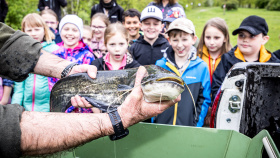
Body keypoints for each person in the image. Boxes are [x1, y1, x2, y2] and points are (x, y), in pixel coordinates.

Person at [0, 22, 180, 157]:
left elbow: (6, 42)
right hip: (98, 128)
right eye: (112, 44)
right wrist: (103, 112)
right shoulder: (97, 63)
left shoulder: (136, 66)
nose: (117, 49)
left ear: (128, 44)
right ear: (105, 45)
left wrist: (64, 68)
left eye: (121, 44)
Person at [154, 18, 211, 127]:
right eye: (175, 40)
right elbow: (154, 98)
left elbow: (204, 101)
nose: (180, 45)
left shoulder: (201, 68)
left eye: (184, 39)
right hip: (160, 128)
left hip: (188, 129)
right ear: (169, 40)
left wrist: (196, 126)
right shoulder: (160, 65)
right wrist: (155, 121)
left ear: (194, 39)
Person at [212, 15, 280, 100]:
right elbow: (217, 89)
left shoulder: (274, 64)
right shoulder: (227, 59)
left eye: (251, 36)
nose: (245, 39)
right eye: (241, 35)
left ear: (264, 39)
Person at [11, 13, 59, 112]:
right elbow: (19, 87)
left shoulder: (55, 50)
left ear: (44, 30)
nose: (33, 33)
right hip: (27, 109)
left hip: (50, 108)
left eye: (37, 29)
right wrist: (15, 108)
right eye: (29, 30)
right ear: (23, 32)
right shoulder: (21, 52)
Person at [48, 14, 95, 90]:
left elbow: (89, 81)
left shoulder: (87, 55)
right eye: (66, 29)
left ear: (80, 34)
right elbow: (51, 80)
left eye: (74, 30)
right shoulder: (54, 54)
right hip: (58, 96)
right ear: (60, 31)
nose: (70, 33)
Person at [197, 17, 232, 85]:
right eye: (208, 37)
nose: (211, 42)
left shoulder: (231, 58)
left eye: (216, 38)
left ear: (225, 38)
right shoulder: (197, 56)